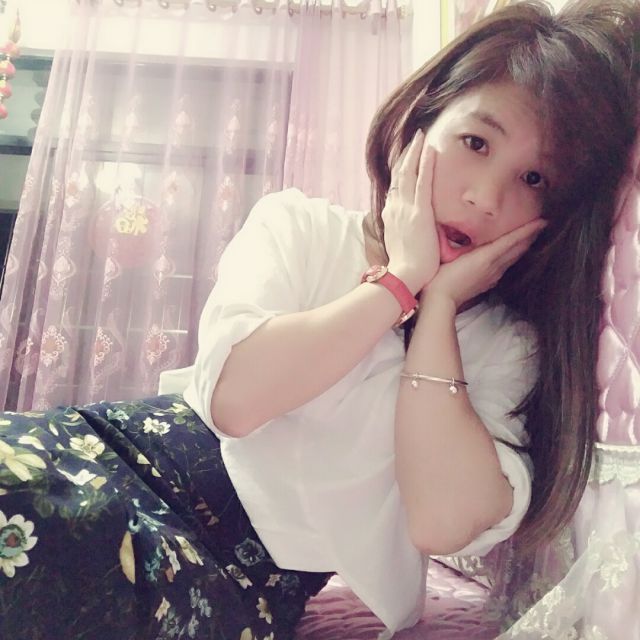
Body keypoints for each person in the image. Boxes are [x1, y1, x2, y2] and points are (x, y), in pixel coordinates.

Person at [0, 1, 639, 640]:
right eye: (476, 143)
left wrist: (438, 309)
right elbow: (234, 403)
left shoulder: (505, 344)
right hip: (117, 462)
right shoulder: (298, 227)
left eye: (534, 178)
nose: (485, 197)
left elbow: (442, 522)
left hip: (234, 580)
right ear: (420, 124)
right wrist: (399, 282)